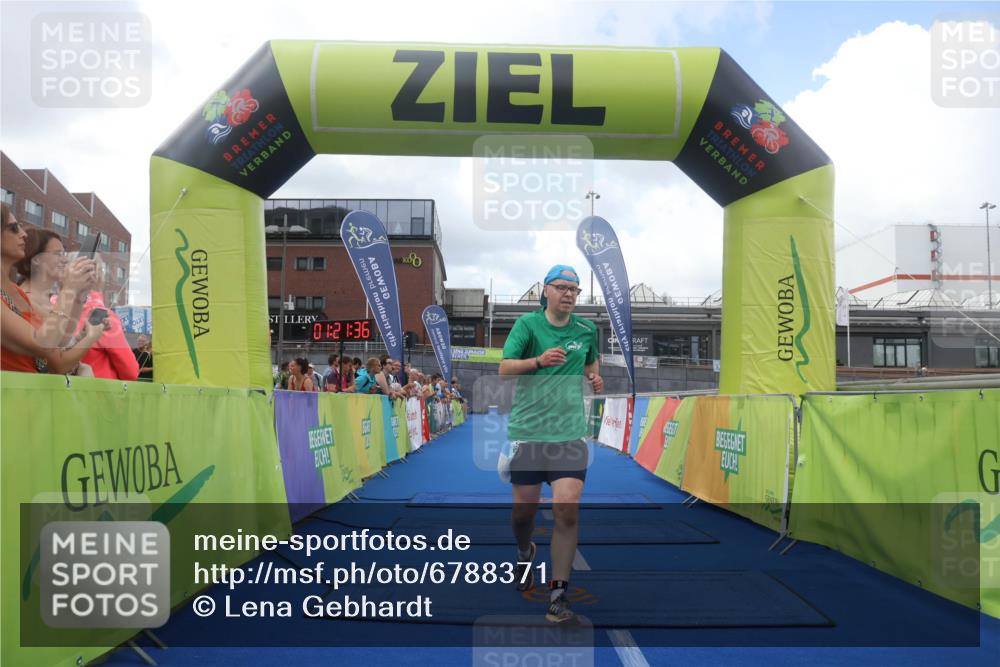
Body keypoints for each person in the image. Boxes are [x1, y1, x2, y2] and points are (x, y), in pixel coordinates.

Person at [498, 264, 602, 625]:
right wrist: (538, 361)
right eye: (562, 288)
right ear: (546, 291)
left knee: (567, 508)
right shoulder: (527, 326)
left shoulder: (588, 329)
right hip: (528, 433)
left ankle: (558, 593)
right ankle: (525, 551)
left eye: (575, 289)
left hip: (569, 434)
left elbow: (591, 362)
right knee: (522, 514)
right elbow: (505, 368)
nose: (569, 294)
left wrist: (594, 376)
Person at [1, 203, 108, 373]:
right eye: (14, 228)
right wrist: (70, 290)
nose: (23, 234)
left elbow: (61, 339)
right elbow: (46, 346)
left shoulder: (16, 291)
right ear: (37, 260)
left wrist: (79, 293)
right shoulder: (19, 293)